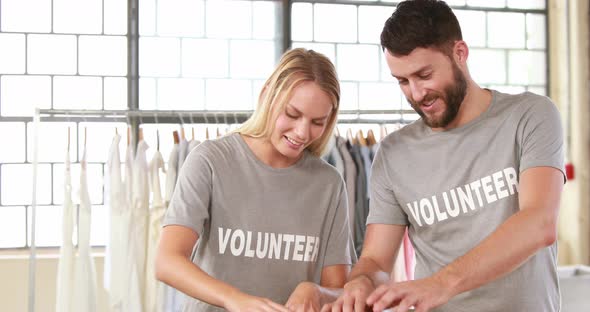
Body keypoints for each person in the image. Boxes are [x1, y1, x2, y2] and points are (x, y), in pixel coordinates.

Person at [323, 1, 565, 311]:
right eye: (402, 81)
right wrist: (362, 281)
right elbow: (375, 260)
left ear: (460, 53)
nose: (416, 93)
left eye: (424, 75)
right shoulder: (393, 153)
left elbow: (539, 223)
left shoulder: (530, 115)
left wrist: (441, 284)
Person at [156, 48, 356, 312]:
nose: (302, 132)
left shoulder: (328, 184)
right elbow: (167, 261)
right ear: (266, 95)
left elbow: (338, 289)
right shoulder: (210, 161)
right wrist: (234, 299)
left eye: (318, 122)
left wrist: (315, 291)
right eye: (292, 114)